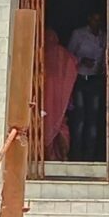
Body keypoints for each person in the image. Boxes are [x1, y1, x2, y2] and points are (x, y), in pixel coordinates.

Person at [67, 12, 105, 161]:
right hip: (80, 79)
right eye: (94, 19)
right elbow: (68, 56)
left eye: (99, 20)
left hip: (96, 80)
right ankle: (76, 155)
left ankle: (90, 156)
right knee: (80, 118)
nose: (97, 22)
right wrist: (82, 60)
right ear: (89, 19)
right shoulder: (79, 34)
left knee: (93, 119)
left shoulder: (104, 37)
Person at [43, 28, 78, 161]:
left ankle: (45, 156)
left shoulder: (40, 54)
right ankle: (63, 156)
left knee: (44, 124)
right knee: (61, 125)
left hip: (45, 99)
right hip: (61, 100)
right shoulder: (64, 56)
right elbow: (74, 64)